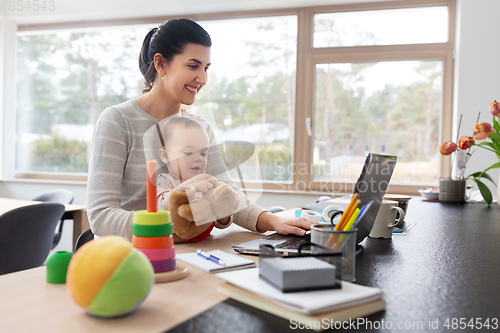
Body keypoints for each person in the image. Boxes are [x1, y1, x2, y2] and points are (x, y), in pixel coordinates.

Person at [87, 18, 316, 240]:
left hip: (186, 251)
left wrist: (273, 221)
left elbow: (227, 195)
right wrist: (169, 225)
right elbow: (101, 215)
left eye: (206, 67)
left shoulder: (200, 126)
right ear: (160, 64)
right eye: (193, 66)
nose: (203, 78)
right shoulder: (117, 120)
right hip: (132, 254)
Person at [154, 116, 234, 230]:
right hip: (176, 244)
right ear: (165, 156)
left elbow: (216, 219)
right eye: (188, 152)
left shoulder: (206, 182)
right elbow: (163, 204)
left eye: (203, 153)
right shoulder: (164, 180)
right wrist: (192, 187)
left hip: (204, 243)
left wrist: (224, 215)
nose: (198, 159)